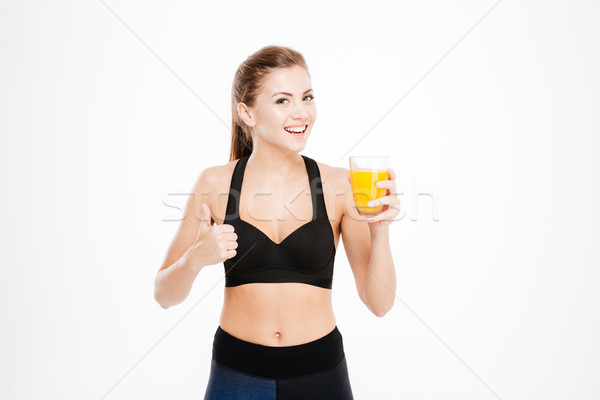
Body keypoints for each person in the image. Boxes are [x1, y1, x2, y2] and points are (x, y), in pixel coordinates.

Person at [154, 45, 400, 400]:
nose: (301, 112)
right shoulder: (214, 184)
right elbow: (163, 295)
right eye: (283, 100)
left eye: (307, 97)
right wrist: (195, 259)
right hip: (237, 375)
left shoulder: (339, 185)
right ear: (247, 113)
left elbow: (380, 304)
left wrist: (381, 233)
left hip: (321, 374)